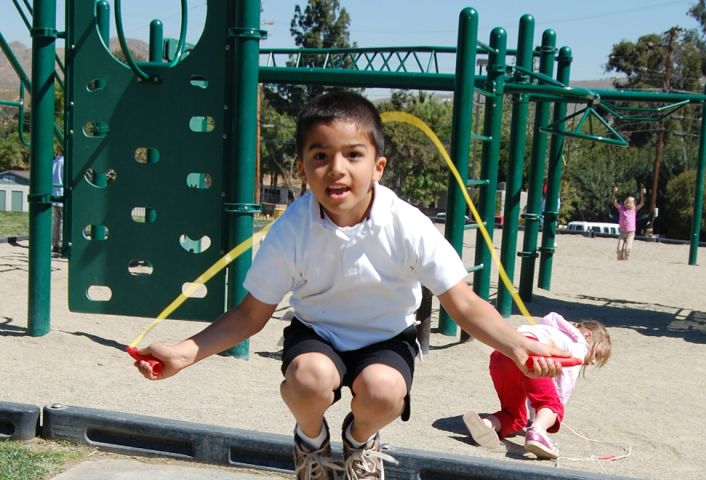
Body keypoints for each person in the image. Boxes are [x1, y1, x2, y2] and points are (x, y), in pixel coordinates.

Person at [134, 91, 569, 480]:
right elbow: (250, 315)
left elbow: (464, 303)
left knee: (382, 390)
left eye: (353, 155)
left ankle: (360, 442)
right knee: (309, 379)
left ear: (378, 166)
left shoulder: (407, 225)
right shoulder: (293, 229)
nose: (336, 169)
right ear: (304, 169)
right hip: (317, 335)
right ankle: (310, 441)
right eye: (320, 156)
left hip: (387, 338)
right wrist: (184, 353)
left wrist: (517, 346)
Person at [463, 312, 611, 460]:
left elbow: (535, 387)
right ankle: (538, 432)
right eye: (597, 355)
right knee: (553, 405)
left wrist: (535, 415)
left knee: (513, 415)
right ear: (586, 335)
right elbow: (565, 382)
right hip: (531, 357)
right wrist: (554, 407)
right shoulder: (579, 346)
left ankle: (486, 425)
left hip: (502, 355)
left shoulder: (551, 330)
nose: (592, 362)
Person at [611, 186, 645, 260]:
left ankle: (627, 262)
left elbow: (642, 203)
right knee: (619, 249)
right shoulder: (621, 208)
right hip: (622, 233)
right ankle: (620, 261)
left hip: (630, 233)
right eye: (626, 201)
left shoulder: (634, 209)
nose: (627, 203)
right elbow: (614, 202)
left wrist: (642, 194)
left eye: (629, 202)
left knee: (627, 249)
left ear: (633, 204)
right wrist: (614, 192)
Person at [51, 152, 64, 253]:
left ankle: (56, 244)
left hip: (54, 194)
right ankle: (62, 243)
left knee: (57, 221)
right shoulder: (65, 162)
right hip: (63, 193)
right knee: (64, 221)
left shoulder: (54, 161)